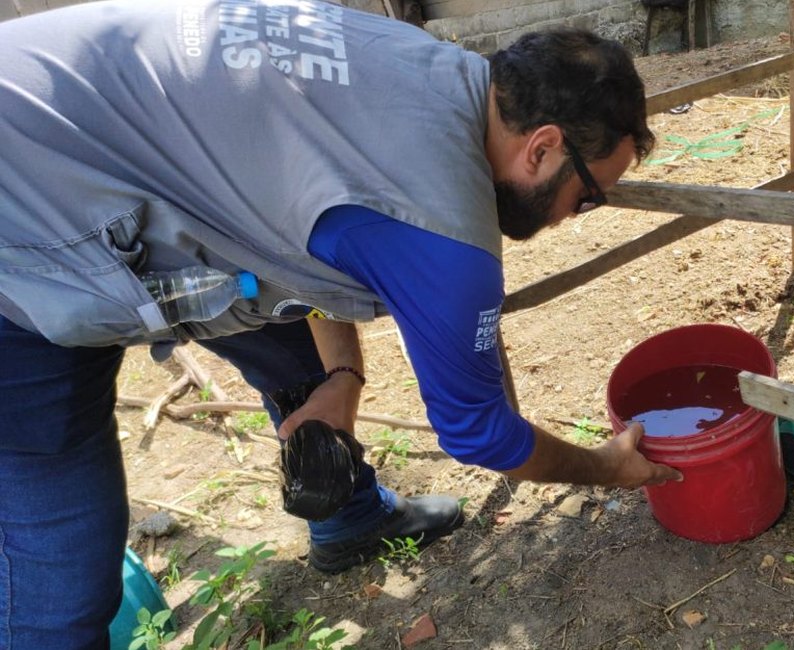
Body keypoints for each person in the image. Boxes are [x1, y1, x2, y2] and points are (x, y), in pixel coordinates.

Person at [0, 0, 683, 647]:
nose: (575, 215)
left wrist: (343, 376)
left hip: (85, 126)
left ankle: (348, 517)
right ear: (542, 148)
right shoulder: (440, 231)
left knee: (294, 356)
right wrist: (608, 468)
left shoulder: (433, 69)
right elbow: (480, 433)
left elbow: (305, 229)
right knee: (62, 556)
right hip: (27, 219)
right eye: (588, 195)